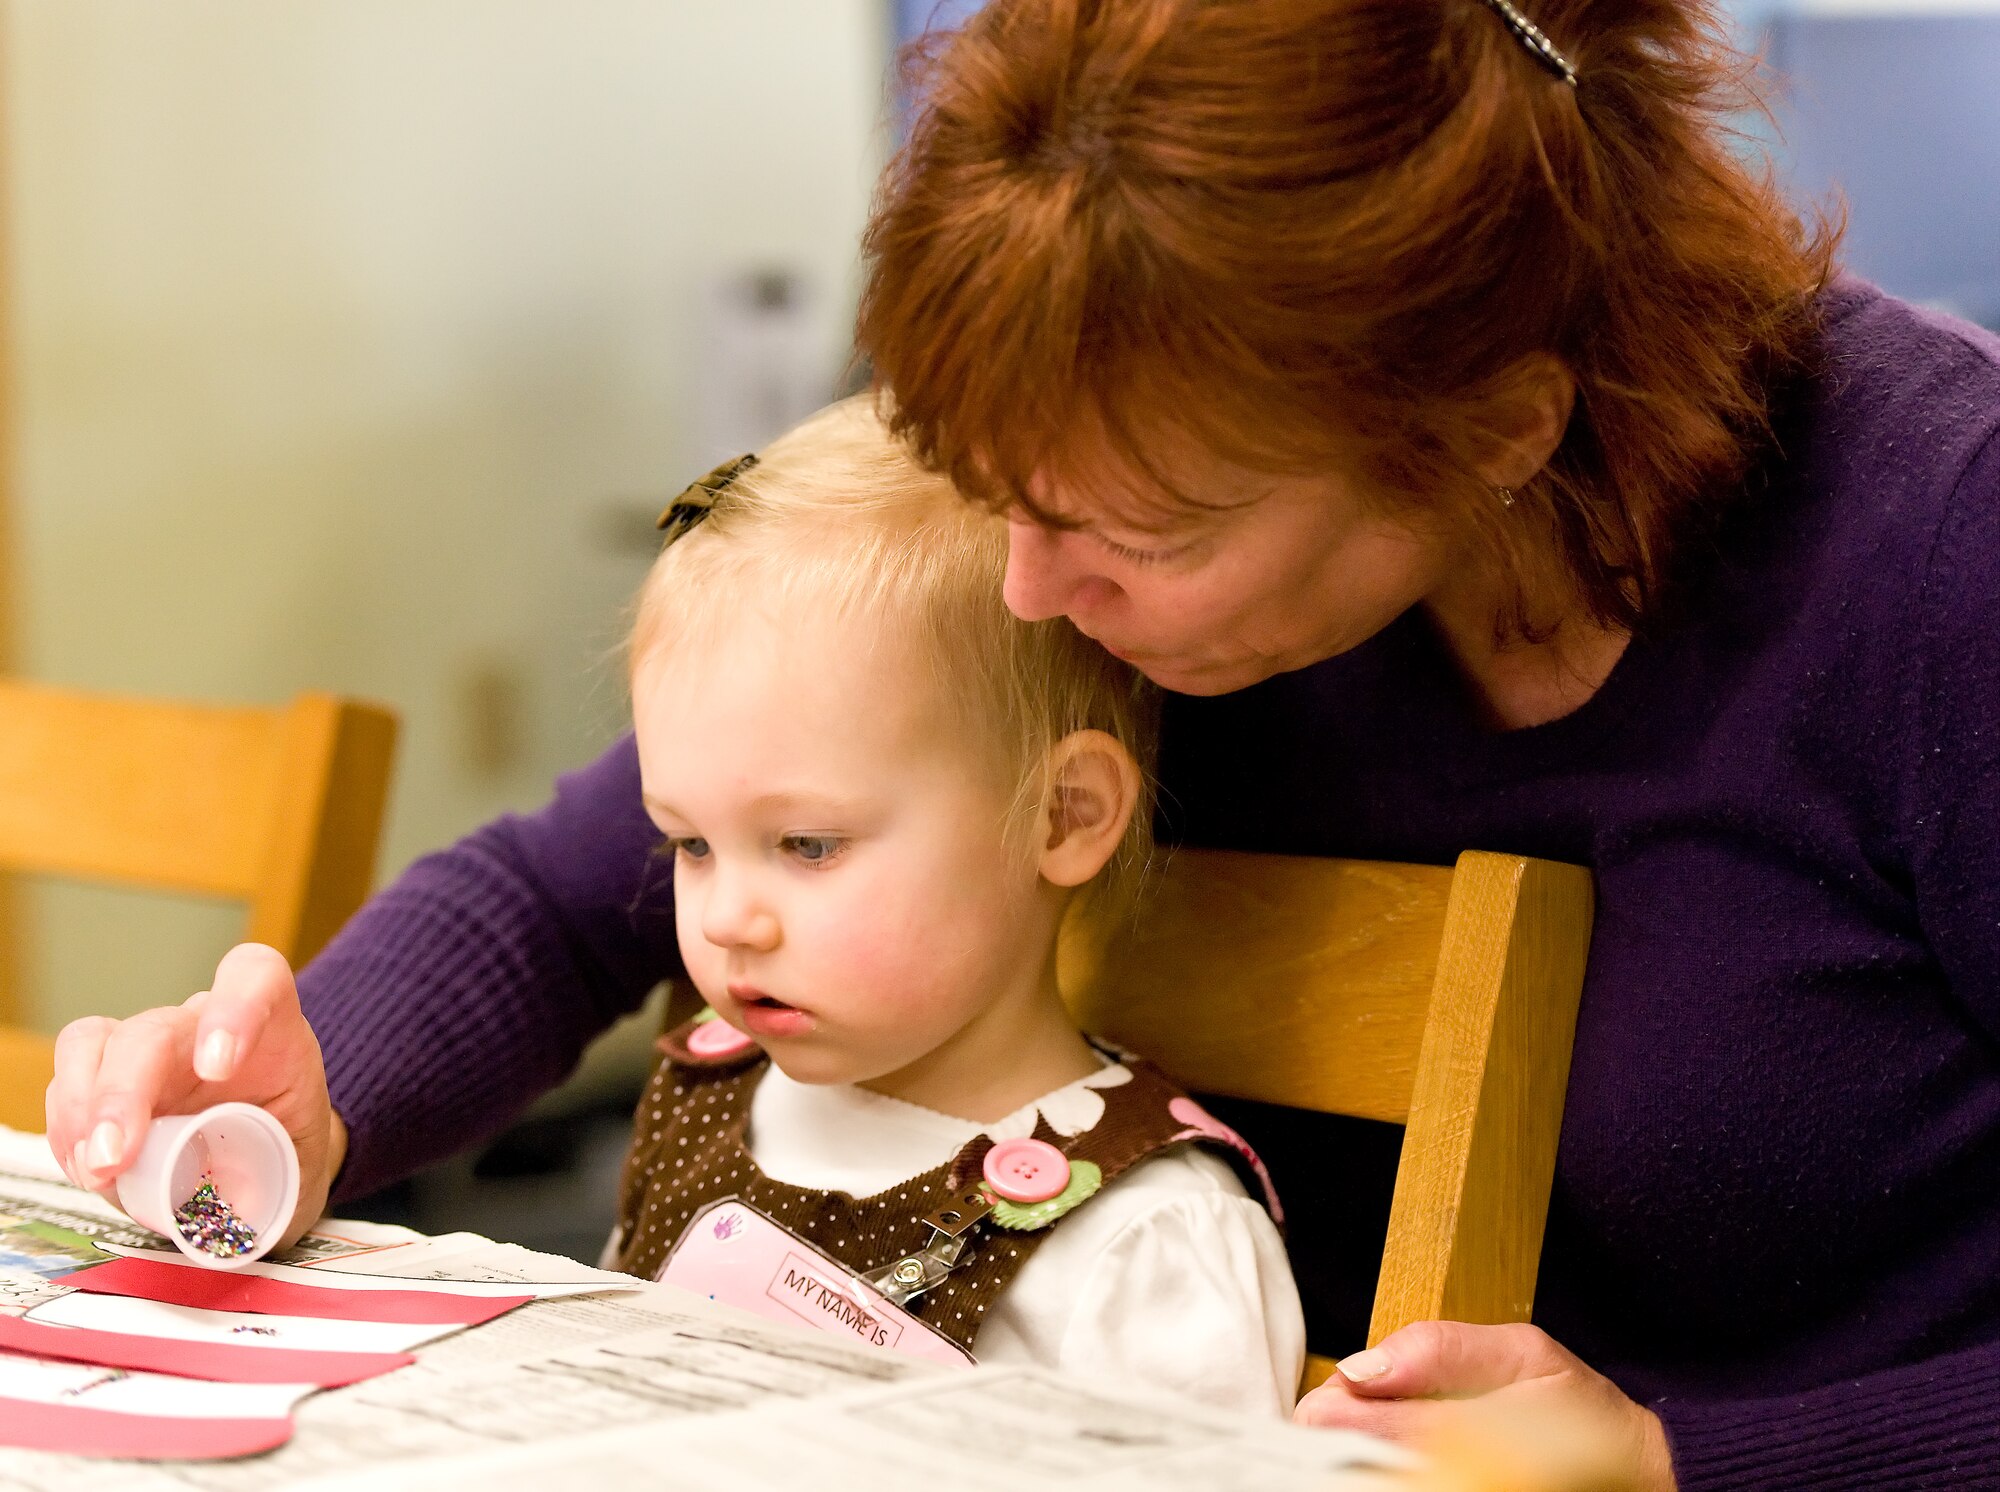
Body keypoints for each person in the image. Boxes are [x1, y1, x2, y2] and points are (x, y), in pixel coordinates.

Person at [42, 0, 2000, 1483]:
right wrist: (312, 1086)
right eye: (999, 486)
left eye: (1133, 534)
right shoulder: (1105, 483)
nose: (1032, 583)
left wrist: (1690, 1457)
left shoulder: (1939, 553)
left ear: (1490, 434)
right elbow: (573, 896)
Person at [51, 400, 1308, 1415]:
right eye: (691, 845)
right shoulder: (710, 1092)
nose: (726, 921)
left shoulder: (1153, 1244)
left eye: (806, 844)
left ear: (1065, 817)